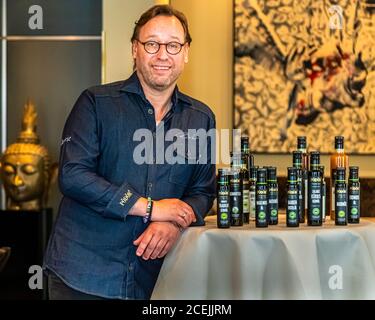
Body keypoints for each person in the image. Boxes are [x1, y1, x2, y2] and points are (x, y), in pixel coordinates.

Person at [43, 4, 216, 300]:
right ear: (135, 49)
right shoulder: (96, 103)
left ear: (186, 52)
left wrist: (173, 221)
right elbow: (72, 175)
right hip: (83, 276)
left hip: (154, 281)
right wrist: (149, 207)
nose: (163, 54)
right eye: (152, 44)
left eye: (173, 45)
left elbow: (202, 191)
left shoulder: (201, 119)